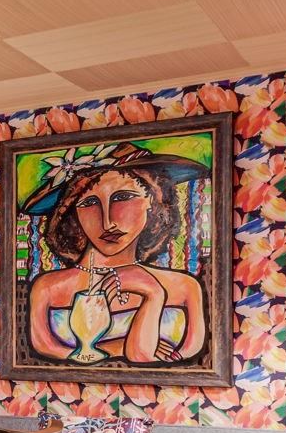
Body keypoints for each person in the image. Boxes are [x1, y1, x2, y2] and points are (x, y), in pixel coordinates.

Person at [21, 143, 209, 366]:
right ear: (72, 213)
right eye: (89, 202)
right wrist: (117, 346)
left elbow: (145, 357)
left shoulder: (186, 287)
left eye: (123, 197)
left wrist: (154, 294)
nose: (107, 221)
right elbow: (46, 348)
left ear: (153, 200)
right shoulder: (47, 288)